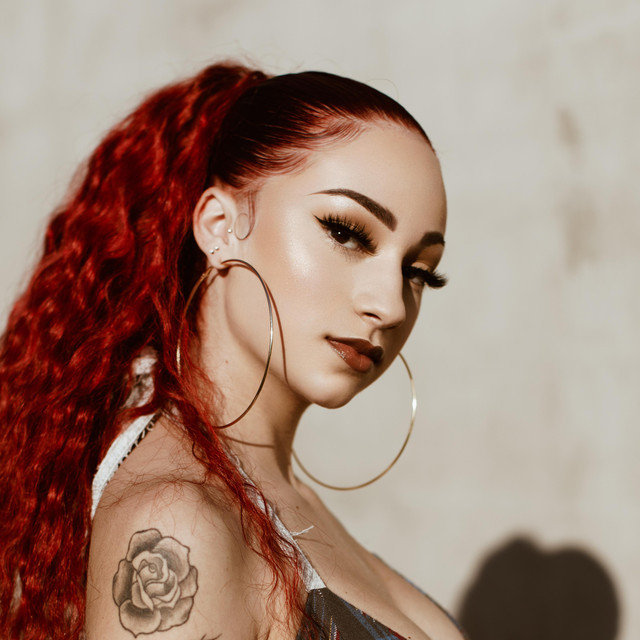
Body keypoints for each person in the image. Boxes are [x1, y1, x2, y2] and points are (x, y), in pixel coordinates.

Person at [0, 62, 465, 640]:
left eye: (419, 271)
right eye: (346, 232)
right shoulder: (178, 522)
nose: (390, 305)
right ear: (219, 225)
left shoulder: (274, 494)